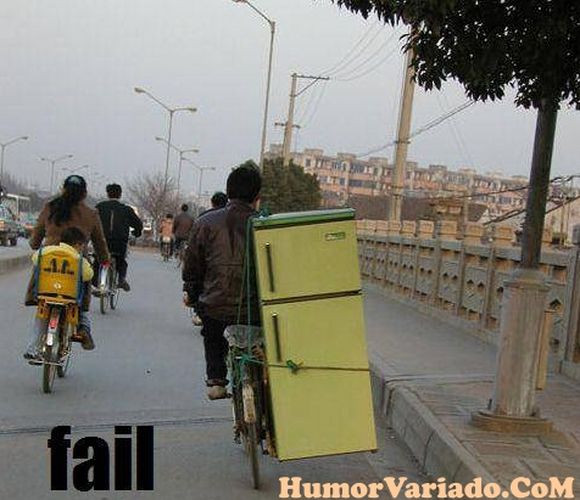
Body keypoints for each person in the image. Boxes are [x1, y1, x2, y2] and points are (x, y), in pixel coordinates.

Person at [182, 165, 261, 400]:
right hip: (255, 309)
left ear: (228, 192)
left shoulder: (206, 222)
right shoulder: (264, 224)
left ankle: (216, 380)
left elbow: (193, 267)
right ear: (257, 196)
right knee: (261, 346)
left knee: (212, 333)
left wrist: (193, 295)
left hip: (216, 306)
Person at [27, 174, 110, 350]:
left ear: (62, 189)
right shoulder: (91, 214)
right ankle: (82, 326)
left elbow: (35, 238)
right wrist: (104, 260)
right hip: (76, 267)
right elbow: (100, 243)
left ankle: (34, 347)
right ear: (84, 193)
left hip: (48, 265)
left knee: (43, 300)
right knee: (79, 299)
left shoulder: (50, 208)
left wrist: (36, 244)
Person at [24, 227, 94, 360]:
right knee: (78, 311)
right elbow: (88, 275)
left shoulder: (44, 252)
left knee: (40, 319)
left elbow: (34, 260)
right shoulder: (79, 259)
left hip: (46, 293)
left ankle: (33, 349)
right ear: (77, 244)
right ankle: (79, 330)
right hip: (69, 296)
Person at [95, 183, 143, 291]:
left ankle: (95, 281)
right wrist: (136, 233)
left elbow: (91, 222)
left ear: (107, 194)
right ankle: (121, 279)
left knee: (97, 259)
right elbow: (138, 225)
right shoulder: (126, 210)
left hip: (102, 242)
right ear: (120, 195)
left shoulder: (99, 207)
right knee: (121, 260)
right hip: (119, 243)